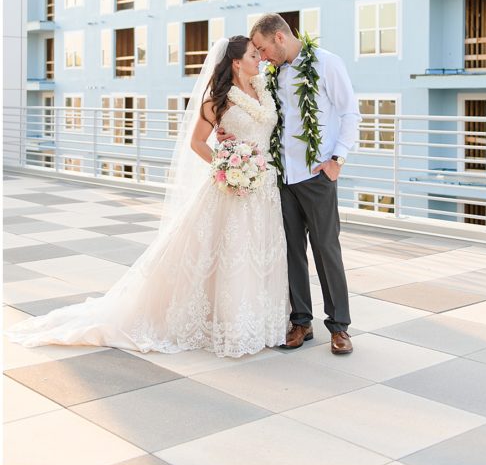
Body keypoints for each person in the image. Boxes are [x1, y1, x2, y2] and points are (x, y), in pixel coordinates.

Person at [6, 36, 288, 357]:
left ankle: (261, 321)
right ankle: (230, 324)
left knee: (259, 251)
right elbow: (197, 143)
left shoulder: (266, 89)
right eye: (254, 55)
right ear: (236, 62)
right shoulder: (217, 100)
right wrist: (224, 165)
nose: (260, 60)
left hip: (265, 185)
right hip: (231, 184)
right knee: (229, 252)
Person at [241, 13, 360, 356]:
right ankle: (300, 322)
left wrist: (337, 160)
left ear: (279, 37)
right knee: (290, 249)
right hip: (283, 175)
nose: (261, 57)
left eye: (263, 49)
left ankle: (339, 327)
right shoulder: (273, 73)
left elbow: (350, 112)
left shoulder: (326, 63)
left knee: (326, 249)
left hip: (316, 174)